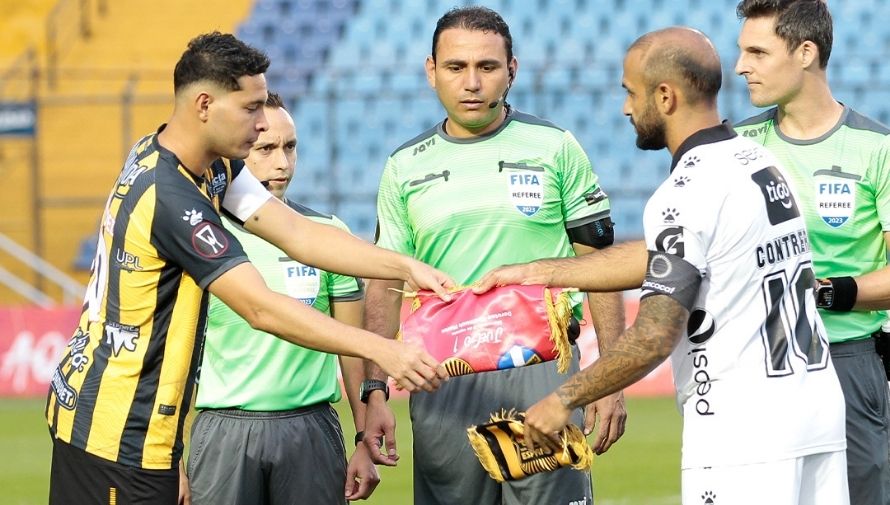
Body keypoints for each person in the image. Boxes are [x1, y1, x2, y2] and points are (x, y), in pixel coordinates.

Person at [45, 32, 452, 505]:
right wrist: (385, 350)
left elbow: (298, 235)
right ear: (204, 105)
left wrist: (403, 264)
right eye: (251, 108)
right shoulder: (173, 199)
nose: (262, 125)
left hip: (123, 418)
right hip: (117, 434)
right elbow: (262, 309)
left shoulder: (202, 165)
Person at [474, 26, 848, 505]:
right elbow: (673, 256)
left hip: (743, 433)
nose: (626, 108)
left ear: (666, 96)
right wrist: (540, 272)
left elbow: (654, 334)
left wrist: (562, 399)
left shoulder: (686, 193)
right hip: (814, 410)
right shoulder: (759, 161)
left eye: (631, 93)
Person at [362, 6, 626, 504]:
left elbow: (601, 264)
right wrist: (374, 391)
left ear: (512, 71)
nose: (472, 83)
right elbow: (383, 283)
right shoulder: (402, 167)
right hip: (443, 380)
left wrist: (610, 376)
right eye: (456, 67)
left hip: (542, 372)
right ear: (431, 71)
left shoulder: (555, 147)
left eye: (487, 67)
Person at [184, 93, 379, 504]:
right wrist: (170, 458)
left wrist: (363, 439)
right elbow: (174, 355)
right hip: (224, 429)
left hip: (310, 429)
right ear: (237, 152)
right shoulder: (202, 236)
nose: (282, 163)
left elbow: (352, 349)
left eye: (290, 147)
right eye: (266, 148)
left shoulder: (328, 234)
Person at [733, 1, 890, 503]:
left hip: (849, 363)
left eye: (758, 52)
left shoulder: (876, 150)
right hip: (758, 365)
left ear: (806, 52)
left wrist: (822, 293)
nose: (742, 66)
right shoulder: (736, 146)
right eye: (742, 52)